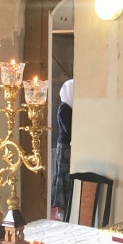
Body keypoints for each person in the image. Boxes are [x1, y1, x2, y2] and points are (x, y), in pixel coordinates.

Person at [51, 79, 73, 220]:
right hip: (64, 146)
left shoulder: (70, 106)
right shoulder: (64, 108)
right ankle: (61, 209)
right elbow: (68, 129)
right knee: (62, 177)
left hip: (68, 146)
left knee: (67, 177)